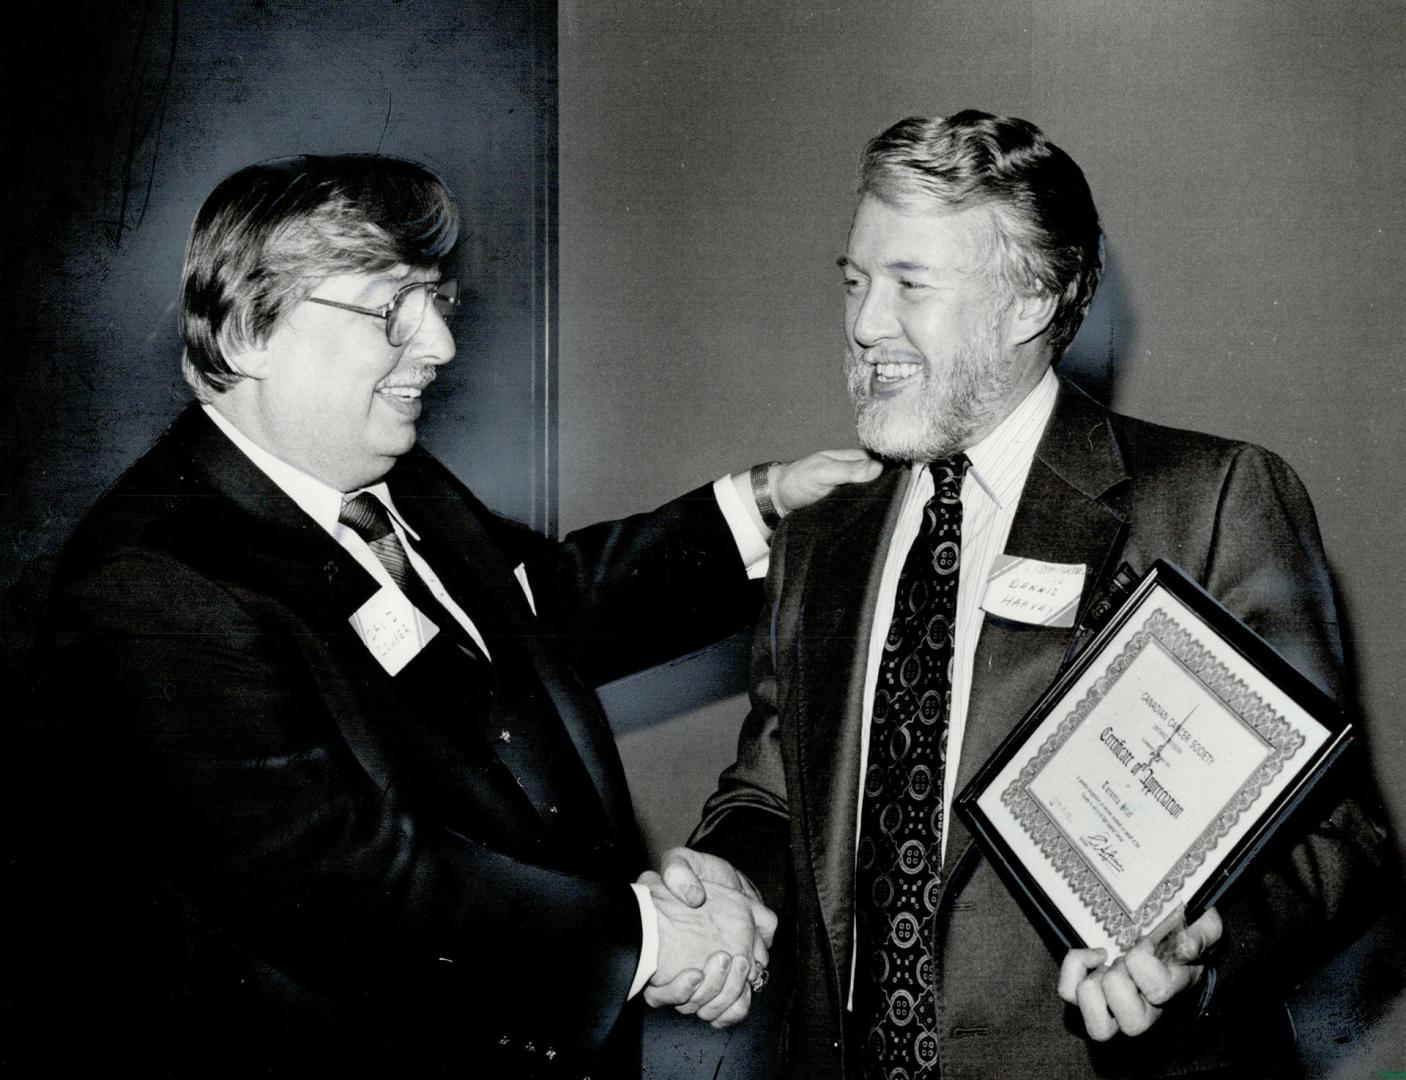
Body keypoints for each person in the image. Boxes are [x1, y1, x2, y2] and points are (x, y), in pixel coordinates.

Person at [15, 154, 879, 1077]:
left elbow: (535, 610)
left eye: (436, 300)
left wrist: (762, 507)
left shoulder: (389, 480)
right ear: (245, 333)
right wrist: (648, 939)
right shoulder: (150, 587)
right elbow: (347, 882)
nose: (437, 345)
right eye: (390, 307)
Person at [673, 111, 1386, 1078]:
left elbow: (1336, 840)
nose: (864, 323)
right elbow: (774, 795)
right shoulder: (820, 533)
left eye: (910, 286)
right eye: (855, 280)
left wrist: (1196, 954)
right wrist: (728, 877)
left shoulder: (1207, 502)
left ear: (1029, 303)